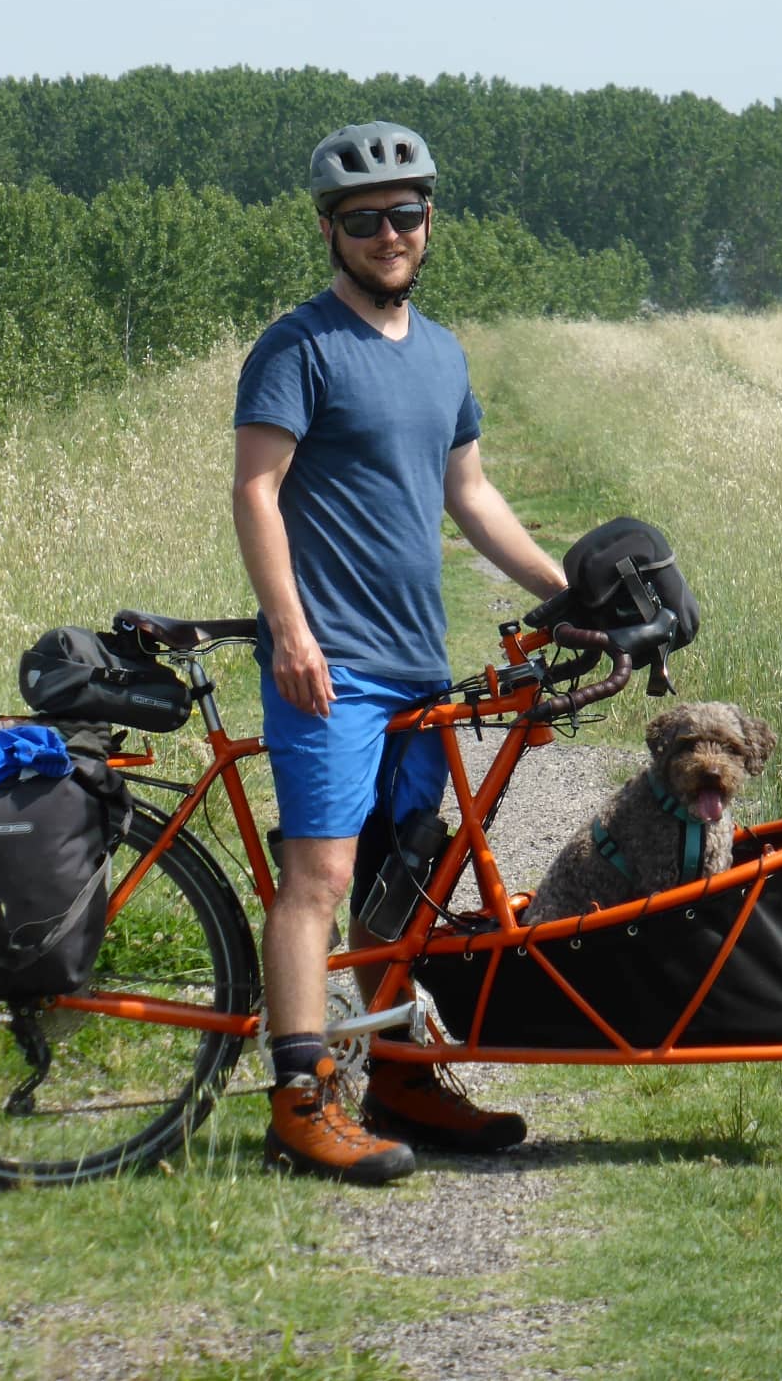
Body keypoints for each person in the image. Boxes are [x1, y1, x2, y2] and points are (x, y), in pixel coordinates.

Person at [232, 122, 569, 1184]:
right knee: (317, 879)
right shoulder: (297, 348)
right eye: (365, 220)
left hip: (418, 667)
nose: (389, 234)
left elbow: (470, 495)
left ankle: (401, 1077)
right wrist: (289, 631)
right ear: (330, 231)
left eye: (406, 214)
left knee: (405, 882)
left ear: (430, 222)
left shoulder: (441, 353)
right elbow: (255, 491)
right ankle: (297, 1104)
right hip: (329, 667)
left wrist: (570, 595)